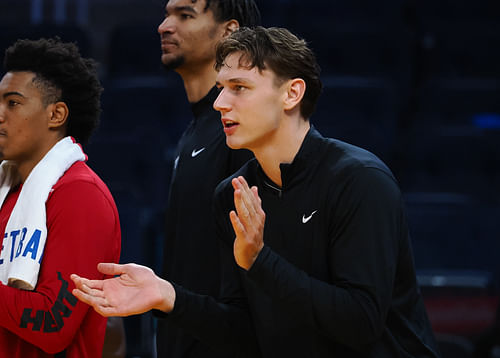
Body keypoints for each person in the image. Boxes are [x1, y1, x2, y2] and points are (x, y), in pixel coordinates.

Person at [72, 26, 442, 357]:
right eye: (220, 89)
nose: (219, 103)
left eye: (239, 88)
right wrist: (169, 297)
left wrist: (261, 261)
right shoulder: (232, 195)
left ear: (292, 93)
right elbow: (247, 336)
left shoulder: (360, 180)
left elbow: (361, 324)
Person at [0, 38, 121, 357]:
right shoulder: (7, 191)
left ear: (56, 114)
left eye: (12, 103)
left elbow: (51, 324)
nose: (0, 114)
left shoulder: (81, 195)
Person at [154, 0, 260, 357]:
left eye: (184, 16)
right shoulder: (193, 132)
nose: (165, 26)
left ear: (229, 31)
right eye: (167, 14)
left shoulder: (244, 128)